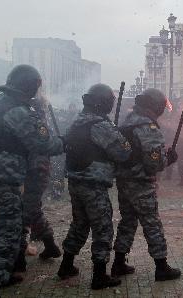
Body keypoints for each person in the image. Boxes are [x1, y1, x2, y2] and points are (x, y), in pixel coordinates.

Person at [0, 65, 64, 298]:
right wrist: (64, 142)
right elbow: (42, 144)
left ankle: (6, 274)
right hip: (3, 178)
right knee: (11, 235)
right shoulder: (18, 110)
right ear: (31, 86)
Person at [57, 84, 132, 290]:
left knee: (79, 225)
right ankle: (99, 275)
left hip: (75, 181)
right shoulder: (100, 125)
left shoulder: (78, 121)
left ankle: (66, 265)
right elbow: (123, 153)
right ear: (104, 102)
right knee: (103, 228)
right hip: (93, 184)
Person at [112, 88, 181, 282]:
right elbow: (154, 163)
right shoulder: (147, 127)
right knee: (152, 223)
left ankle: (118, 262)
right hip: (141, 182)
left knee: (128, 222)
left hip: (124, 180)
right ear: (156, 106)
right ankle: (161, 266)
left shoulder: (128, 122)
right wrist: (169, 159)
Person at [18, 96, 61, 266]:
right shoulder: (37, 119)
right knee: (32, 210)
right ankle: (50, 245)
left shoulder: (34, 122)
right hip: (34, 170)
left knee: (25, 212)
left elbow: (40, 146)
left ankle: (19, 257)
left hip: (35, 171)